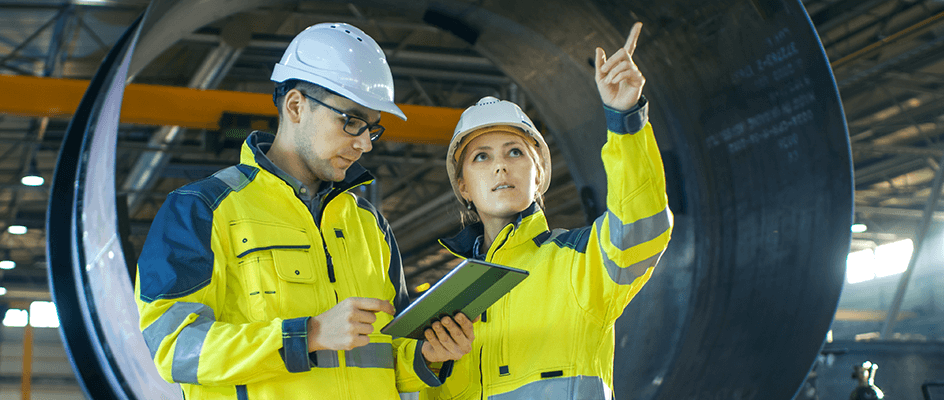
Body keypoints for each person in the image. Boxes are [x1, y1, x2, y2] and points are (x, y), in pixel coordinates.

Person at [135, 23, 474, 399]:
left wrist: (426, 355)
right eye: (351, 121)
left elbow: (385, 355)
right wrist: (307, 335)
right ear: (296, 106)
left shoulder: (370, 225)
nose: (365, 144)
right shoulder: (200, 209)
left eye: (371, 129)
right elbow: (174, 348)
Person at [422, 22, 672, 399]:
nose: (500, 166)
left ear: (538, 175)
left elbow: (642, 228)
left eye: (515, 152)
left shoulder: (580, 263)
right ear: (463, 187)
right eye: (481, 157)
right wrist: (429, 363)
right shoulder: (446, 303)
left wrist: (625, 118)